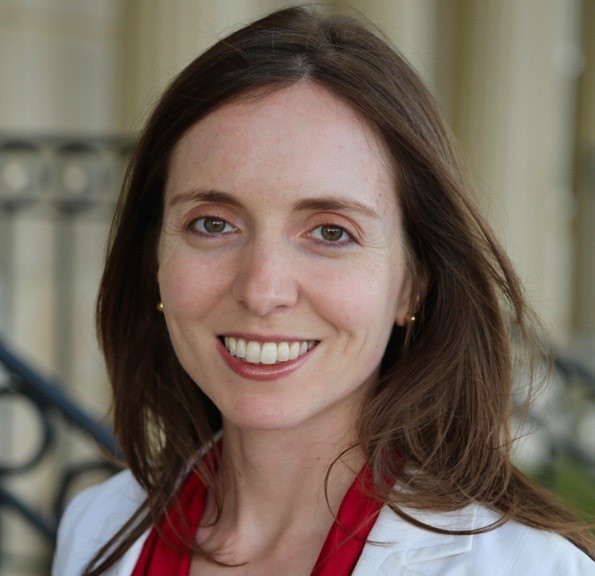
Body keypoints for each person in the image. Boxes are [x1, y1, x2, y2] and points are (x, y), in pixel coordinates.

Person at [52, 5, 594, 576]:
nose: (262, 291)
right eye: (212, 224)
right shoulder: (95, 527)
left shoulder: (527, 568)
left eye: (331, 232)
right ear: (155, 260)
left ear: (413, 284)